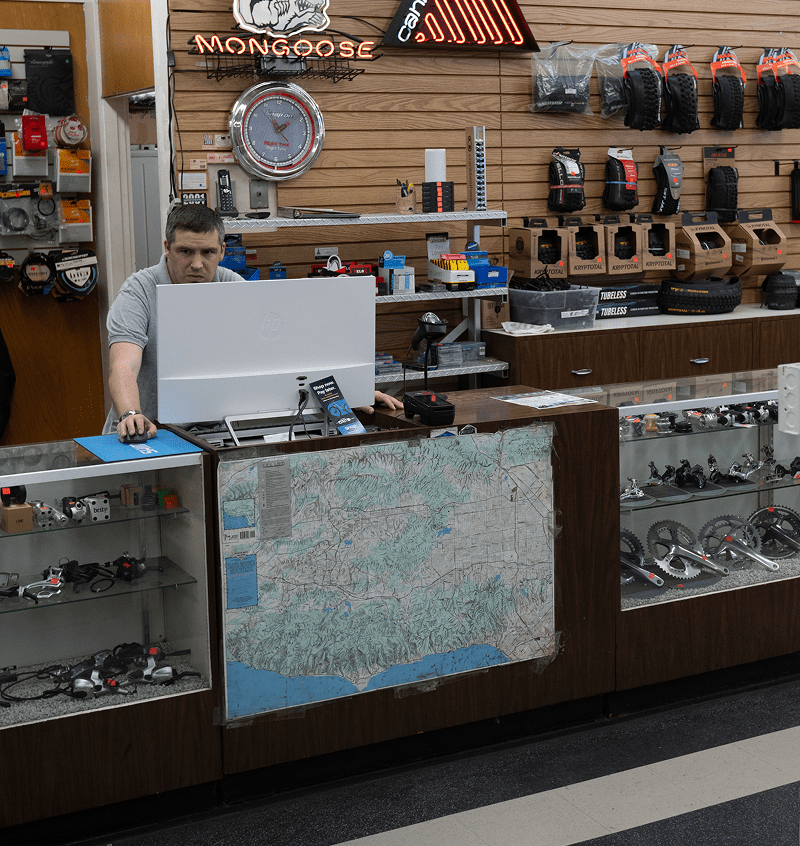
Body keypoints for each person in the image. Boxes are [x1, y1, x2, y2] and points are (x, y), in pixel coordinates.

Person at [105, 204, 402, 440]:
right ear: (167, 247)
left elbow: (282, 355)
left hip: (207, 432)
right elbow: (123, 365)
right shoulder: (139, 291)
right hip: (146, 432)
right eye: (185, 252)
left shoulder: (234, 286)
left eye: (208, 252)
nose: (197, 264)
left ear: (222, 251)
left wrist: (351, 390)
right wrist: (131, 414)